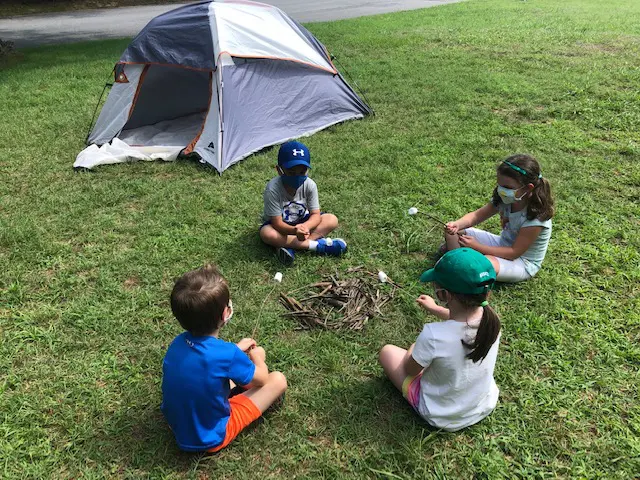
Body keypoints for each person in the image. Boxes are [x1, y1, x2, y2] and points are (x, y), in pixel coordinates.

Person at [161, 264, 287, 452]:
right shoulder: (227, 355)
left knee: (219, 377)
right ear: (225, 313)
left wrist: (235, 349)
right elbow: (262, 378)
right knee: (277, 380)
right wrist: (258, 357)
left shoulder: (178, 343)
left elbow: (207, 363)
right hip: (210, 437)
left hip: (177, 424)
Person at [379, 248, 501, 431]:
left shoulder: (434, 335)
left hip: (440, 413)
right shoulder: (491, 322)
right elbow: (462, 321)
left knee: (387, 352)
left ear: (443, 295)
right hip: (481, 405)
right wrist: (435, 309)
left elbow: (410, 370)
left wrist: (413, 350)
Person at [443, 154, 554, 283]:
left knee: (485, 263)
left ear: (528, 188)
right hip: (502, 244)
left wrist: (477, 246)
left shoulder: (536, 217)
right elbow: (477, 215)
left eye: (507, 188)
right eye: (500, 185)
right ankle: (457, 265)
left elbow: (514, 252)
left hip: (522, 262)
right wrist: (457, 224)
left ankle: (462, 267)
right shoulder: (506, 199)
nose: (501, 190)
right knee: (454, 232)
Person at [259, 140, 347, 266]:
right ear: (279, 170)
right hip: (281, 226)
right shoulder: (272, 189)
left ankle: (291, 246)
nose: (297, 177)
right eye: (291, 173)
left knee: (331, 219)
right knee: (267, 233)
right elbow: (277, 223)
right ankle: (317, 246)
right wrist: (295, 231)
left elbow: (315, 215)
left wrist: (305, 228)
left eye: (302, 172)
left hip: (303, 221)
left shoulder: (310, 185)